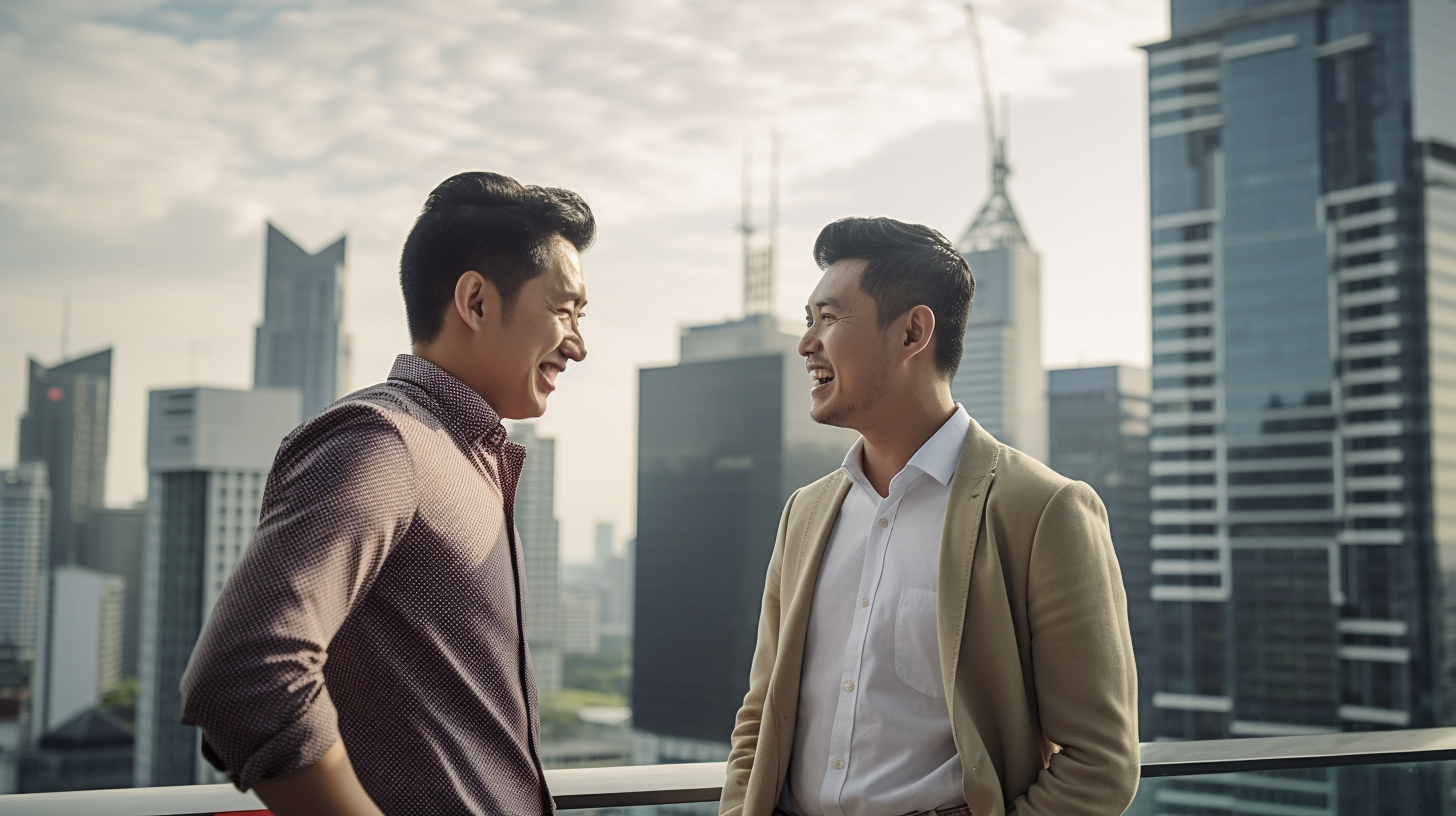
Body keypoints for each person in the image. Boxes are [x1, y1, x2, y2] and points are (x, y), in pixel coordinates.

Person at [181, 171, 594, 816]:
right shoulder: (383, 442)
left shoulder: (465, 459)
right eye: (564, 309)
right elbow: (246, 676)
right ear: (477, 302)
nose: (579, 344)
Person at [720, 217, 1139, 816]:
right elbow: (760, 717)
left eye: (830, 318)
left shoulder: (1044, 512)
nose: (806, 342)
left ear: (913, 331)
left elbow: (1100, 762)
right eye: (808, 318)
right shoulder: (805, 513)